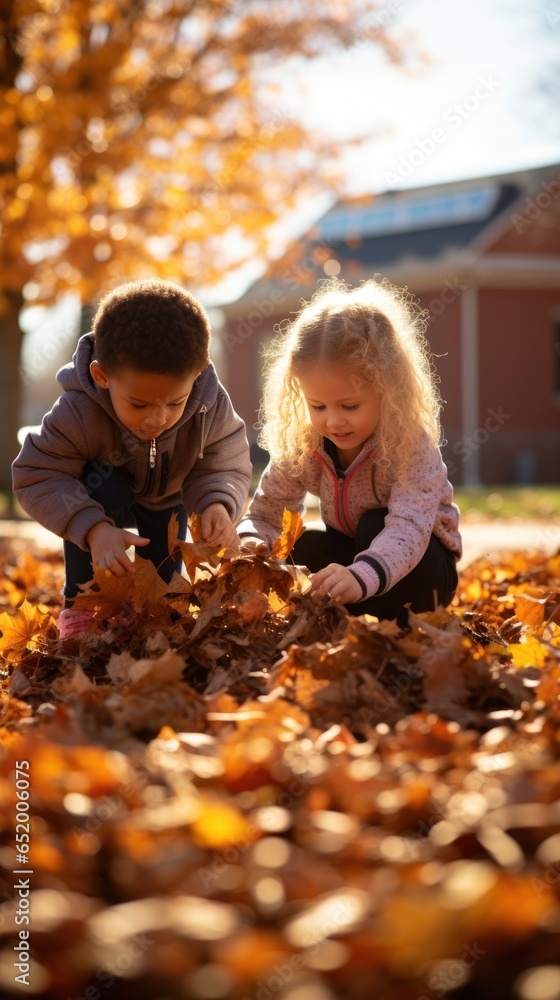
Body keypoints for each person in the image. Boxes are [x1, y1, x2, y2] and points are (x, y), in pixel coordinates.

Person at [13, 278, 251, 639]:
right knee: (101, 484)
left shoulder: (209, 403)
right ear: (101, 376)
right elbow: (37, 472)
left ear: (197, 375)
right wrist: (93, 529)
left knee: (164, 597)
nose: (158, 418)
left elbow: (222, 460)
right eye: (139, 404)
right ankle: (82, 608)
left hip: (167, 504)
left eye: (175, 402)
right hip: (101, 499)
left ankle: (148, 613)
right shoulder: (78, 411)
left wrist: (216, 503)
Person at [238, 276, 461, 627]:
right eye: (318, 406)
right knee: (304, 545)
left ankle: (386, 617)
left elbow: (409, 528)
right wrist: (252, 547)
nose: (334, 421)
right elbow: (267, 514)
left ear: (387, 390)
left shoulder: (409, 444)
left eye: (350, 405)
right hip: (357, 560)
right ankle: (338, 614)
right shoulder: (306, 440)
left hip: (422, 571)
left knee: (376, 522)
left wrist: (360, 577)